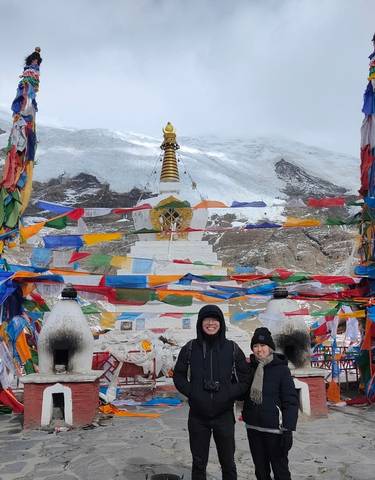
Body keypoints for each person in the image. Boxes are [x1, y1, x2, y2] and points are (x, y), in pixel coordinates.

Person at [173, 304, 250, 480]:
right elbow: (179, 375)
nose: (211, 323)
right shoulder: (190, 348)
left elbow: (245, 378)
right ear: (200, 323)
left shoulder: (232, 348)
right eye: (207, 319)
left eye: (215, 320)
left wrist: (229, 393)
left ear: (221, 323)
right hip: (198, 417)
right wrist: (193, 392)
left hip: (224, 415)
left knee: (228, 463)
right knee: (199, 463)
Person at [242, 327, 299, 480]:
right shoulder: (249, 368)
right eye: (255, 346)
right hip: (253, 428)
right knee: (261, 472)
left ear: (270, 347)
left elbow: (290, 401)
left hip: (275, 430)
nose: (259, 350)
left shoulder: (281, 370)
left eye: (262, 345)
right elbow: (242, 393)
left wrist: (288, 428)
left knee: (281, 472)